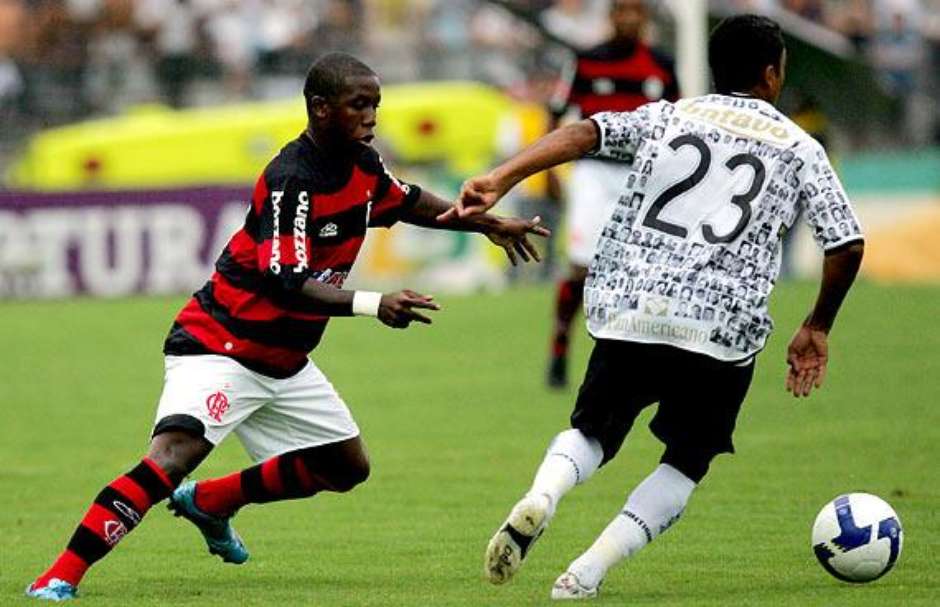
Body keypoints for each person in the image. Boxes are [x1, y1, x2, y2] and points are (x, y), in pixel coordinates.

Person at [25, 52, 548, 602]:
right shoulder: (291, 179)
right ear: (320, 108)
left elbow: (407, 202)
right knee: (172, 457)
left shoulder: (364, 165)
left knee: (345, 466)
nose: (371, 116)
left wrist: (485, 224)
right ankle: (59, 575)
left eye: (375, 104)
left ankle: (211, 501)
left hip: (284, 358)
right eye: (358, 105)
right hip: (222, 345)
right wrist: (374, 304)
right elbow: (285, 281)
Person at [443, 15, 865, 600]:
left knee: (591, 432)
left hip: (635, 306)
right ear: (772, 75)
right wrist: (817, 325)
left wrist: (501, 177)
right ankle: (584, 573)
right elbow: (846, 243)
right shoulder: (799, 146)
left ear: (714, 69)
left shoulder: (670, 116)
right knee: (686, 461)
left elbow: (586, 133)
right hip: (720, 325)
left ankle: (542, 495)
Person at [545, 0, 679, 388]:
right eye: (622, 12)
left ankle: (638, 357)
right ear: (611, 17)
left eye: (636, 12)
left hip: (643, 175)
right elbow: (555, 113)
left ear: (645, 19)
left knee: (645, 270)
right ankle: (560, 344)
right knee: (581, 266)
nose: (629, 19)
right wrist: (549, 171)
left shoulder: (663, 65)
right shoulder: (586, 61)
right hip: (593, 171)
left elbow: (681, 123)